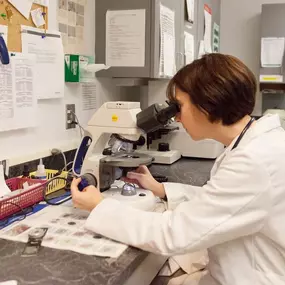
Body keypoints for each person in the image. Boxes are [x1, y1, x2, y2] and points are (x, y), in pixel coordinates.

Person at [71, 53, 285, 285]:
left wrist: (100, 206)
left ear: (208, 103)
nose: (177, 118)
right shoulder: (255, 144)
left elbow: (173, 234)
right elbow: (223, 201)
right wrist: (162, 190)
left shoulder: (253, 161)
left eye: (178, 107)